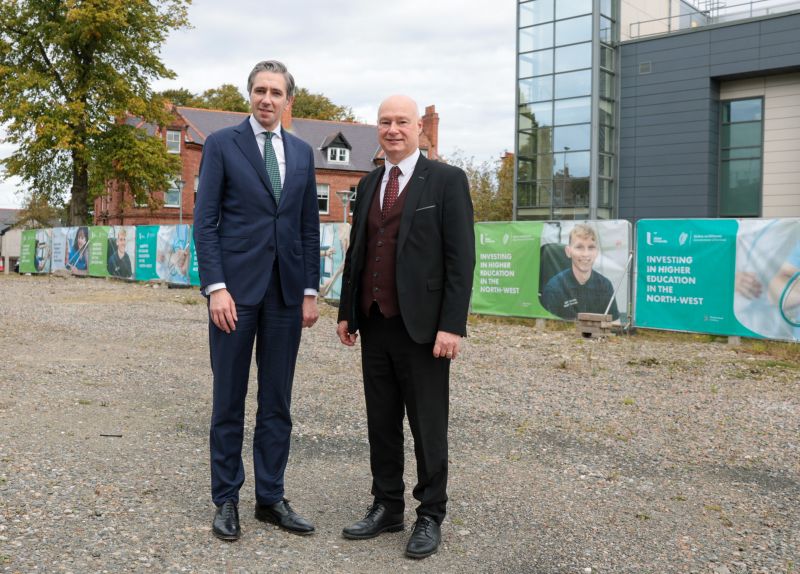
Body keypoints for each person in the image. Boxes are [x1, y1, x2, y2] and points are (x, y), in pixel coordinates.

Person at [336, 95, 475, 559]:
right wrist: (346, 312)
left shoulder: (447, 181)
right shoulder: (369, 181)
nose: (392, 129)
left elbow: (461, 259)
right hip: (375, 324)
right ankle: (387, 504)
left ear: (420, 128)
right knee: (381, 422)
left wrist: (452, 325)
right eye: (384, 122)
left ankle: (430, 512)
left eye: (401, 122)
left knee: (428, 424)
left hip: (425, 328)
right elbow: (359, 251)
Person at [193, 60, 320, 542]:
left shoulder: (305, 154)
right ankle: (225, 499)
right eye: (259, 90)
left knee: (277, 402)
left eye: (276, 92)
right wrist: (216, 287)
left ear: (289, 101)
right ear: (249, 95)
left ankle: (270, 497)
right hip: (235, 295)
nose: (267, 99)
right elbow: (205, 223)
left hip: (286, 295)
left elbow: (309, 227)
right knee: (228, 400)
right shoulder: (223, 145)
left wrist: (309, 291)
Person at [540, 223, 619, 320]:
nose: (586, 254)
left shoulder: (605, 285)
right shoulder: (554, 288)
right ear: (568, 252)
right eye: (579, 247)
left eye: (591, 248)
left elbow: (615, 324)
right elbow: (550, 327)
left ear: (597, 252)